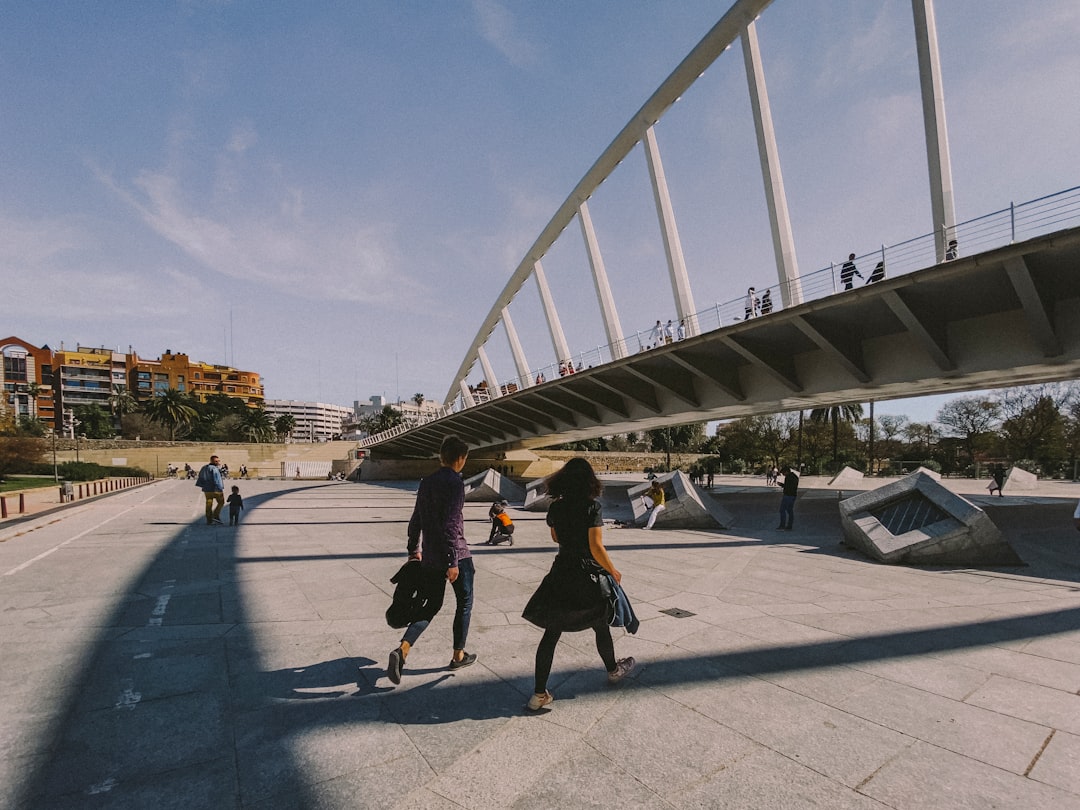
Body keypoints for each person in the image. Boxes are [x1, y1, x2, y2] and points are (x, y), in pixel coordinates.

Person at [522, 458, 635, 712]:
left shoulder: (556, 507)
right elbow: (596, 546)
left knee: (551, 633)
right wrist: (612, 570)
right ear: (589, 481)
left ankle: (539, 693)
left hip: (562, 572)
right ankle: (613, 670)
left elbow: (556, 537)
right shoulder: (592, 507)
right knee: (600, 623)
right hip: (587, 577)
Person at [386, 435, 476, 685]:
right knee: (465, 602)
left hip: (430, 557)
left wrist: (413, 548)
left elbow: (416, 519)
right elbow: (450, 524)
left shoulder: (427, 482)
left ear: (441, 456)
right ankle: (458, 654)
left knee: (431, 605)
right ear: (460, 458)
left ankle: (403, 649)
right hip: (455, 554)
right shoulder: (455, 483)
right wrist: (453, 561)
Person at [196, 455, 225, 525]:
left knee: (209, 503)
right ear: (212, 461)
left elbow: (200, 476)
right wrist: (220, 487)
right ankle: (215, 515)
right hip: (215, 489)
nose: (218, 462)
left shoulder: (204, 468)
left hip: (207, 489)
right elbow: (216, 479)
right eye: (216, 461)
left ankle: (209, 519)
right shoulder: (214, 469)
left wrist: (202, 485)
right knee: (221, 502)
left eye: (218, 461)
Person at [777, 465, 799, 530]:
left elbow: (787, 487)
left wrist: (782, 485)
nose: (783, 475)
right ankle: (789, 525)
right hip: (793, 495)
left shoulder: (788, 477)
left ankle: (782, 525)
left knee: (782, 510)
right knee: (790, 510)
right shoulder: (795, 476)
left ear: (786, 472)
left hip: (788, 495)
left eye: (783, 473)